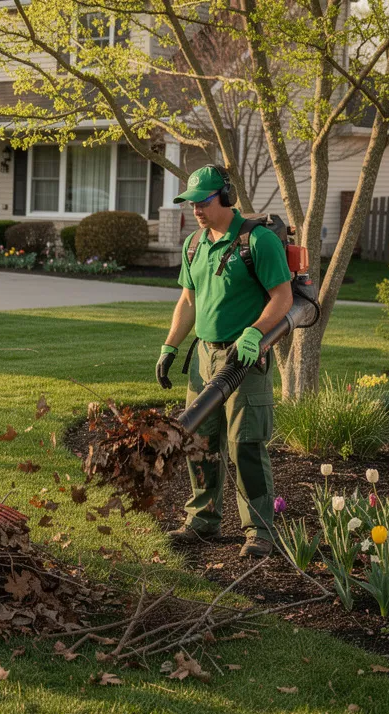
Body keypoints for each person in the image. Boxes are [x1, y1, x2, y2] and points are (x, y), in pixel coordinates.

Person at [157, 165, 292, 558]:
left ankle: (260, 531)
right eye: (191, 202)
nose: (196, 208)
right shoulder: (194, 245)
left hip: (245, 358)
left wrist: (255, 332)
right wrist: (170, 346)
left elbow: (282, 297)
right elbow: (187, 301)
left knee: (244, 444)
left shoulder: (259, 241)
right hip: (203, 355)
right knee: (198, 441)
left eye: (204, 200)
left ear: (226, 197)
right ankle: (202, 520)